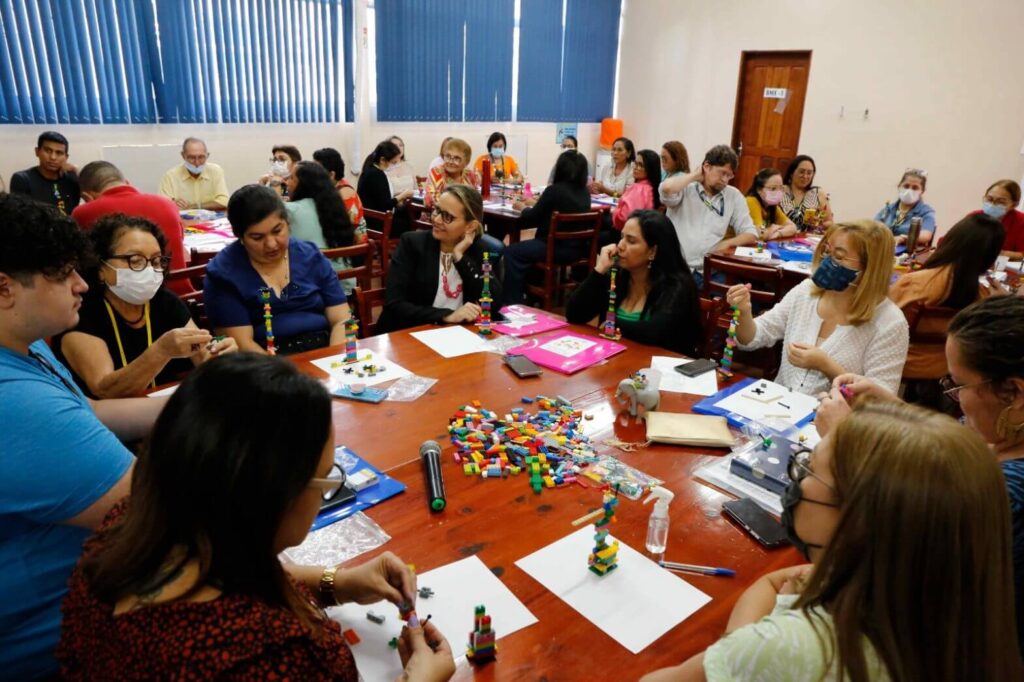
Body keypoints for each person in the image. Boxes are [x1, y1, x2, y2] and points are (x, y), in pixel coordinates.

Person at [57, 353, 456, 681]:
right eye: (324, 478)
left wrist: (340, 582)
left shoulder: (122, 530)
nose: (324, 491)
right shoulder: (273, 656)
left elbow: (225, 575)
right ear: (273, 496)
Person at [641, 400, 1022, 682]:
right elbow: (774, 582)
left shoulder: (797, 648)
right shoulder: (954, 614)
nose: (796, 480)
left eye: (806, 468)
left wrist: (741, 646)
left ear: (855, 520)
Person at [0, 193, 166, 679]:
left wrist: (190, 405)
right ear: (5, 288)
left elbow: (87, 411)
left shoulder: (24, 344)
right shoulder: (15, 404)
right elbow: (156, 511)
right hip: (61, 640)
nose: (80, 286)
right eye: (62, 274)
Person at [818, 294, 1024, 658]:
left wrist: (842, 443)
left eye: (959, 385)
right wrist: (893, 406)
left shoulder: (1008, 494)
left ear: (1015, 392)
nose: (956, 399)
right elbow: (956, 443)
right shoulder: (1003, 430)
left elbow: (892, 541)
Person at [53, 214, 236, 399]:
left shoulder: (164, 301)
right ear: (100, 267)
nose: (149, 270)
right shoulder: (81, 311)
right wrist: (161, 351)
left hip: (161, 409)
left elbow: (202, 357)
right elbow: (105, 390)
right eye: (135, 260)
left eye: (156, 261)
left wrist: (219, 357)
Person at [726, 220, 908, 396]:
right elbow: (751, 339)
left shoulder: (889, 322)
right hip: (779, 407)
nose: (826, 261)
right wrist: (744, 312)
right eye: (826, 251)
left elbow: (879, 402)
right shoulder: (807, 292)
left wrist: (827, 366)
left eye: (838, 256)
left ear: (871, 267)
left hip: (839, 422)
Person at [203, 185, 351, 354]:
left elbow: (342, 319)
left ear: (287, 223)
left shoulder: (310, 256)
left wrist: (333, 361)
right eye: (257, 237)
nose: (272, 244)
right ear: (240, 237)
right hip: (264, 365)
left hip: (324, 351)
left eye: (277, 231)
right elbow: (241, 345)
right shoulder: (223, 273)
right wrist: (283, 377)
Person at [889, 213, 1004, 385]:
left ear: (950, 240)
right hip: (949, 370)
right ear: (990, 257)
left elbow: (880, 322)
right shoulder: (983, 297)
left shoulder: (913, 283)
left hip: (901, 364)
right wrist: (1002, 304)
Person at [566, 210, 701, 356]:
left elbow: (655, 333)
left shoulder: (677, 286)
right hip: (617, 364)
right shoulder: (616, 276)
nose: (620, 246)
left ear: (652, 251)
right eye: (621, 237)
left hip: (660, 370)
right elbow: (574, 314)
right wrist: (599, 270)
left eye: (631, 241)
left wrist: (614, 324)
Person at [378, 185, 501, 334]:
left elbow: (494, 303)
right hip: (409, 333)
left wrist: (460, 257)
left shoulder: (479, 250)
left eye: (447, 217)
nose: (436, 219)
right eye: (437, 210)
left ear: (470, 226)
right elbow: (394, 304)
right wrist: (447, 315)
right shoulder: (412, 244)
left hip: (457, 336)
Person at [72, 160, 192, 295]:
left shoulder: (83, 213)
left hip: (122, 299)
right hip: (182, 294)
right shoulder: (168, 204)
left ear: (86, 197)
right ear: (127, 182)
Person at [659, 144, 757, 289]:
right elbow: (666, 189)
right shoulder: (686, 188)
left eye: (729, 175)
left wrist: (727, 244)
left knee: (738, 298)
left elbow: (751, 233)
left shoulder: (733, 196)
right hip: (678, 269)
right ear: (707, 166)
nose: (725, 180)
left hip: (710, 270)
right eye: (722, 173)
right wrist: (694, 176)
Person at [504, 152, 592, 306]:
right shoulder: (585, 192)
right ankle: (533, 294)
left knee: (512, 252)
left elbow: (532, 217)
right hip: (578, 250)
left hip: (554, 249)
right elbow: (548, 208)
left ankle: (513, 303)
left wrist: (522, 207)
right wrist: (533, 204)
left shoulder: (554, 190)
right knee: (529, 248)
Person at [284, 161, 363, 293]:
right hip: (346, 285)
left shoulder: (290, 210)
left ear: (303, 185)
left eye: (291, 178)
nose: (287, 182)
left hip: (312, 288)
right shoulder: (335, 205)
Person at [9, 131, 81, 214]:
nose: (53, 157)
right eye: (48, 151)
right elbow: (20, 216)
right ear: (37, 151)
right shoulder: (22, 179)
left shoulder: (72, 179)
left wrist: (77, 172)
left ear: (66, 157)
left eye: (59, 153)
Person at [358, 140, 414, 236]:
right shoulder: (377, 175)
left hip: (370, 220)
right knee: (410, 218)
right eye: (393, 162)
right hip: (378, 223)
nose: (395, 166)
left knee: (405, 213)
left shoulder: (370, 170)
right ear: (382, 160)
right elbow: (385, 205)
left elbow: (379, 199)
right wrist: (402, 195)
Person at [158, 137, 230, 211]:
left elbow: (224, 202)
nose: (197, 163)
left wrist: (194, 206)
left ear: (207, 155)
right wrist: (172, 204)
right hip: (183, 221)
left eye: (201, 157)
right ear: (183, 156)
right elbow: (162, 206)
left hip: (211, 220)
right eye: (191, 157)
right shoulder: (170, 176)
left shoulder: (215, 171)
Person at [311, 147, 367, 236]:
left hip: (351, 245)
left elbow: (346, 227)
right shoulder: (329, 187)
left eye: (316, 171)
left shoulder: (346, 193)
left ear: (331, 174)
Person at [874, 168, 935, 246]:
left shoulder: (926, 212)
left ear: (922, 191)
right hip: (884, 248)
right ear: (899, 186)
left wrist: (903, 238)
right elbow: (872, 228)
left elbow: (926, 236)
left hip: (907, 253)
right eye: (906, 186)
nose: (909, 190)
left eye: (915, 188)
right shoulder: (889, 208)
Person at [610, 149, 662, 232]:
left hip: (628, 231)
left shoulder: (639, 189)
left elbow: (625, 218)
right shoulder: (650, 186)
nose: (636, 168)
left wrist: (614, 211)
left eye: (641, 165)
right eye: (636, 163)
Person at [781, 155, 833, 232]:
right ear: (792, 173)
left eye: (809, 173)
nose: (805, 176)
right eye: (801, 172)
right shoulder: (780, 191)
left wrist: (819, 224)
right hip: (780, 237)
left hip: (806, 240)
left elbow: (830, 223)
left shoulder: (818, 193)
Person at [425, 138, 480, 208]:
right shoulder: (437, 172)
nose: (451, 162)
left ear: (466, 162)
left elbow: (474, 199)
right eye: (448, 156)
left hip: (463, 216)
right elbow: (430, 200)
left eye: (457, 158)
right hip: (439, 215)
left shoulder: (469, 174)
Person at [745, 168, 797, 240]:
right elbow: (760, 234)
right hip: (732, 247)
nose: (778, 192)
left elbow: (793, 227)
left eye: (781, 188)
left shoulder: (772, 206)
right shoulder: (751, 201)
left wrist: (778, 233)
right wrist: (773, 228)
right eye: (773, 188)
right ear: (759, 190)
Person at [977, 179, 1024, 258]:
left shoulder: (1021, 221)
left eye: (1001, 202)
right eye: (989, 199)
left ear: (1014, 205)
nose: (992, 204)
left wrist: (996, 253)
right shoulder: (974, 217)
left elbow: (1022, 254)